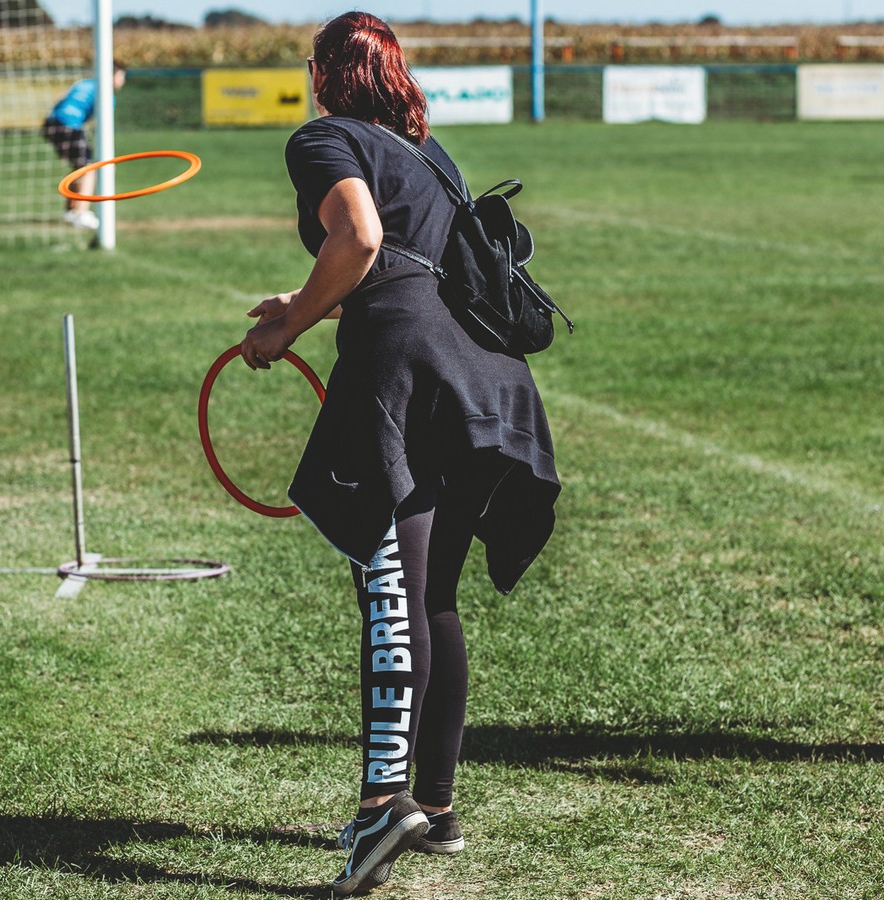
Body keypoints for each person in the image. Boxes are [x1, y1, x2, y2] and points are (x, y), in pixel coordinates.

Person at [241, 12, 561, 896]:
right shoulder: (431, 153)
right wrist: (311, 301)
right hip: (485, 385)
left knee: (389, 589)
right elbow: (415, 271)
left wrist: (290, 327)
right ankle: (437, 807)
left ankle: (386, 805)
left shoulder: (323, 138)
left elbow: (361, 241)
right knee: (434, 595)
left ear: (326, 74)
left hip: (410, 386)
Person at [42, 62, 127, 230]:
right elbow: (102, 128)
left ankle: (70, 211)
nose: (122, 81)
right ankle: (80, 213)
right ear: (113, 75)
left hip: (50, 124)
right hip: (69, 125)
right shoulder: (106, 94)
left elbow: (61, 98)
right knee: (90, 167)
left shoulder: (85, 83)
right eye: (122, 76)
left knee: (79, 167)